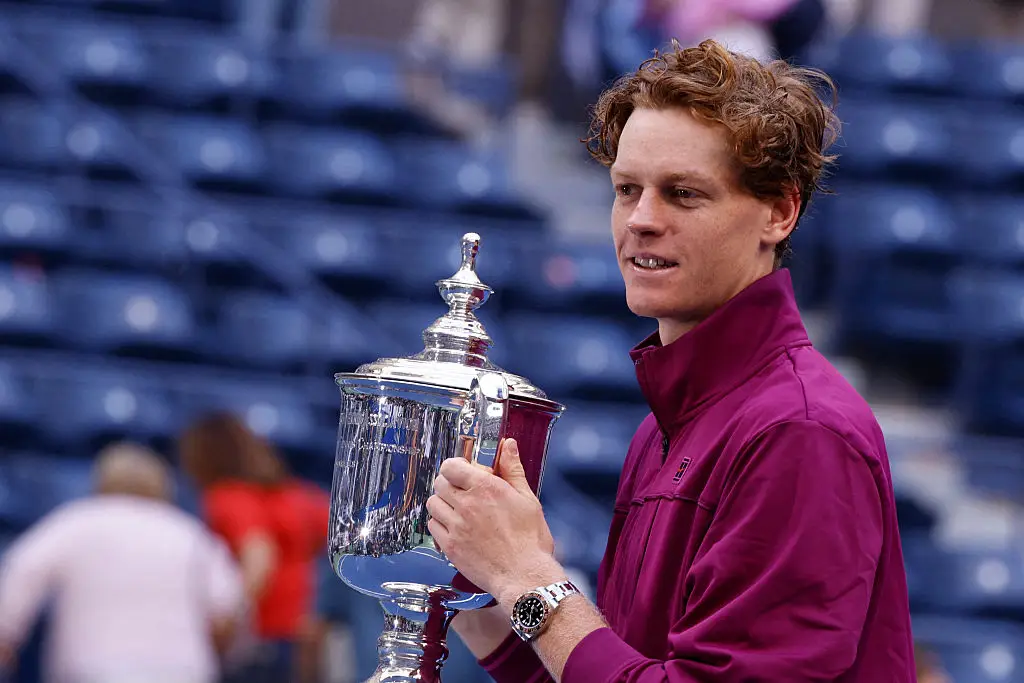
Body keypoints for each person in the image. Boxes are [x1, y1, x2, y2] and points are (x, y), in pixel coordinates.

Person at [426, 39, 917, 682]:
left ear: (779, 211)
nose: (642, 220)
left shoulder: (800, 431)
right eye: (626, 189)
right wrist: (480, 591)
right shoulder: (671, 422)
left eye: (683, 194)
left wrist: (529, 578)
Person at [0, 443, 243, 683]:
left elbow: (23, 570)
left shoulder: (77, 521)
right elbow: (227, 604)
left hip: (93, 668)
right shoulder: (187, 532)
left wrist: (6, 633)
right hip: (181, 670)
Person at [179, 412, 330, 683]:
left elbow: (259, 555)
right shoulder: (298, 496)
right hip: (293, 638)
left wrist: (230, 617)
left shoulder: (227, 497)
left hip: (258, 641)